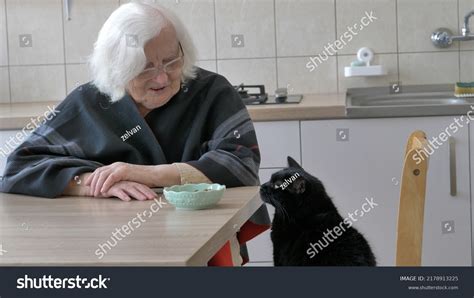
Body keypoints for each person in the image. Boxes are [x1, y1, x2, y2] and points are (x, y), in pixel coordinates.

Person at [0, 2, 269, 266]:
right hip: (111, 250)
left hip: (205, 247)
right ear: (117, 67)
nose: (162, 78)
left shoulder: (211, 92)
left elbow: (242, 163)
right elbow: (19, 168)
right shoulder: (91, 100)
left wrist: (145, 174)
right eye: (145, 67)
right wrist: (94, 183)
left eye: (170, 61)